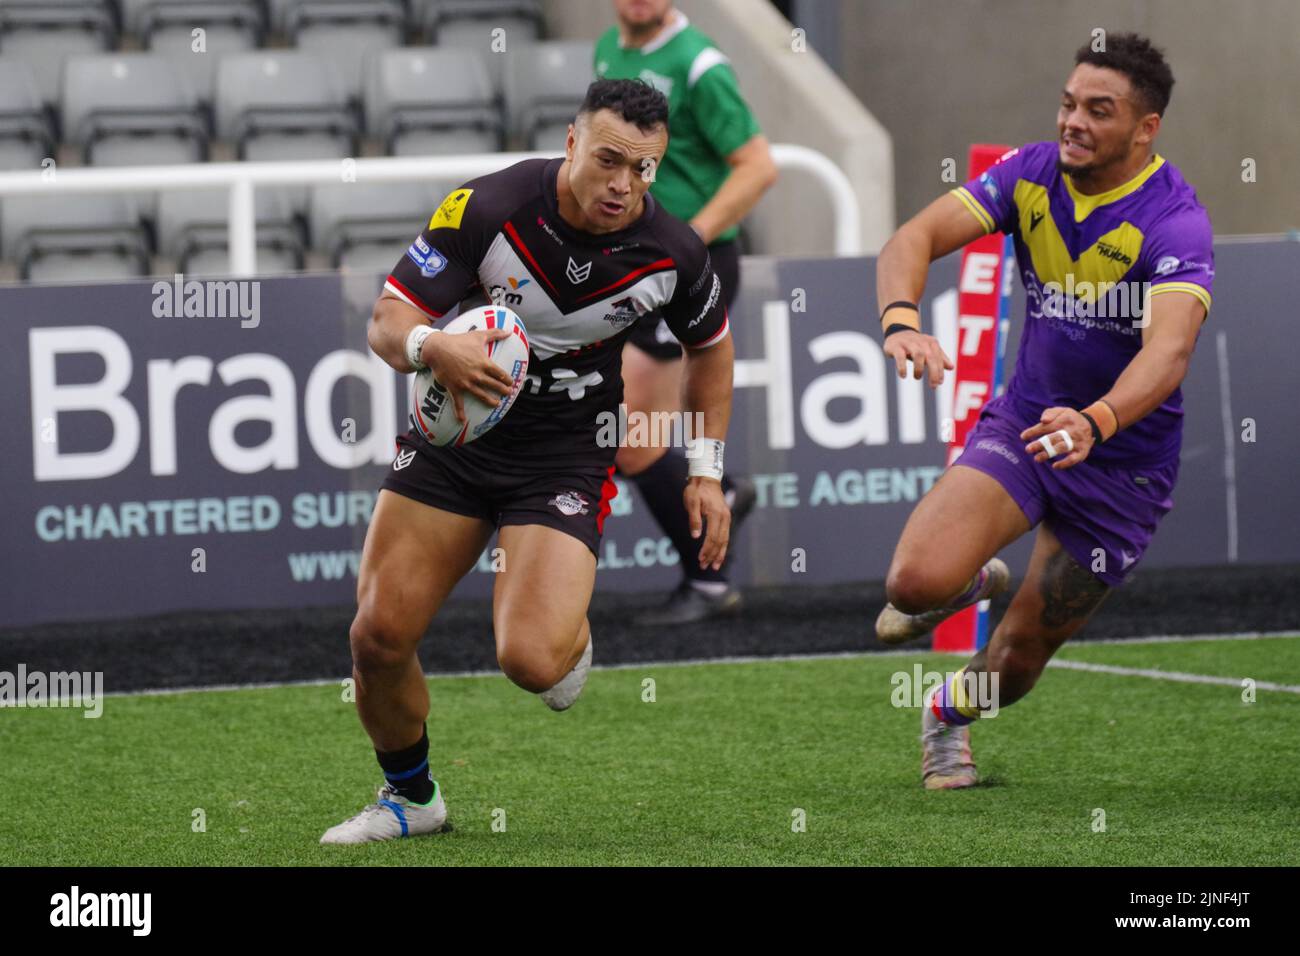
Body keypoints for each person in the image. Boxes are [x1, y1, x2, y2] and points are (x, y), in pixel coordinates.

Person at [321, 78, 735, 843]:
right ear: (571, 141)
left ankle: (570, 635)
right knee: (376, 636)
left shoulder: (673, 251)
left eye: (643, 169)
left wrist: (705, 469)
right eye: (609, 159)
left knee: (533, 662)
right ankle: (412, 799)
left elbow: (710, 352)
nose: (623, 184)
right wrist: (431, 345)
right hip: (454, 446)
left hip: (565, 456)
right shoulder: (488, 207)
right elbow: (388, 322)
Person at [872, 34, 1214, 789]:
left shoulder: (1175, 222)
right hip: (1027, 428)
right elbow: (916, 236)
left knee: (1018, 663)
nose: (1073, 122)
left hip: (1120, 464)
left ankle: (946, 715)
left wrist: (1094, 421)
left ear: (1145, 128)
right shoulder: (1029, 174)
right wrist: (901, 319)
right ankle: (975, 577)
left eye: (1099, 110)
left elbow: (1168, 354)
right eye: (1068, 104)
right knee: (915, 585)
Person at [595, 0, 777, 624]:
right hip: (637, 264)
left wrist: (688, 240)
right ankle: (720, 503)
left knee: (632, 442)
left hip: (686, 265)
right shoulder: (610, 51)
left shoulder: (700, 65)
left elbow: (758, 166)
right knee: (627, 439)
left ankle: (708, 581)